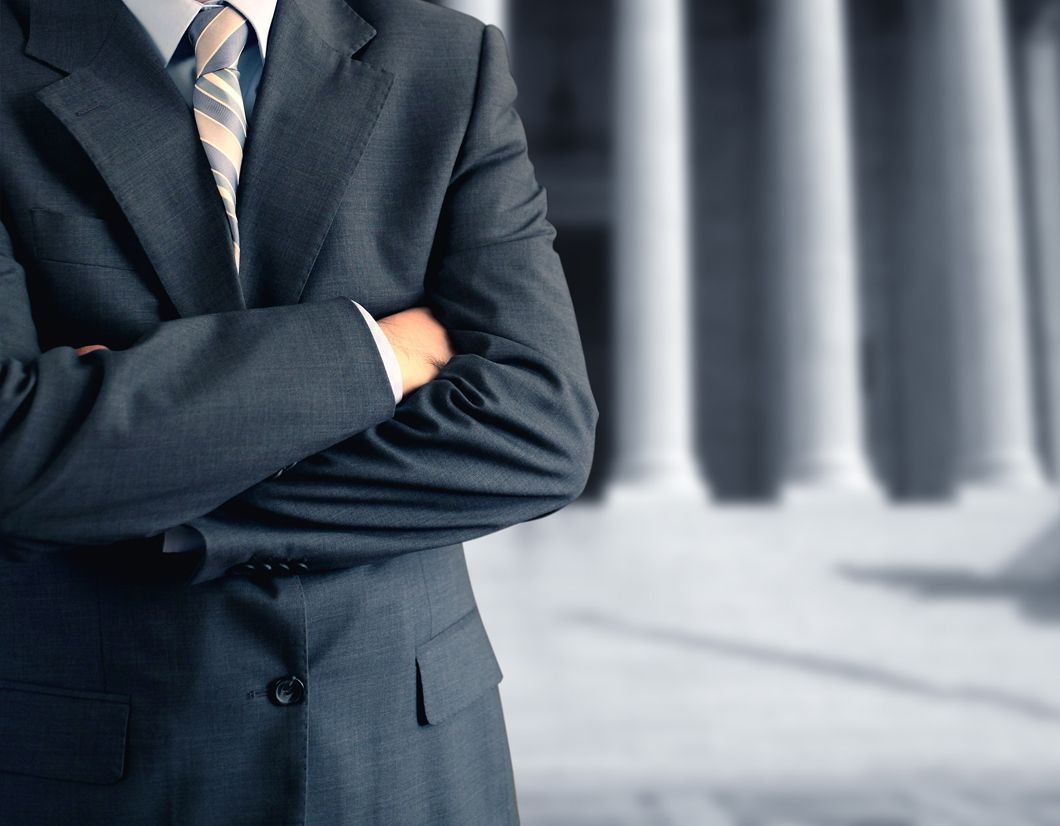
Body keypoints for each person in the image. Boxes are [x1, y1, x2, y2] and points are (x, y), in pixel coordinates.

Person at [0, 0, 598, 821]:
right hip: (96, 768)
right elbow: (17, 454)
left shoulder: (449, 59)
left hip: (408, 759)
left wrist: (146, 486)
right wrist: (379, 357)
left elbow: (539, 432)